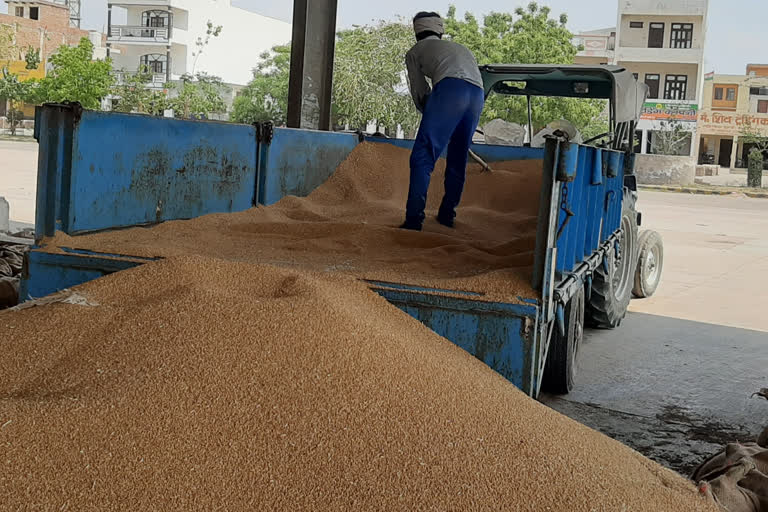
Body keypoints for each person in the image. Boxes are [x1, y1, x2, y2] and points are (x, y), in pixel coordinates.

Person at [400, 11, 485, 231]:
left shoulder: (415, 51)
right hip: (477, 94)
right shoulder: (460, 48)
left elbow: (419, 91)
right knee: (458, 156)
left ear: (416, 31)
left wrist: (429, 110)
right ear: (440, 30)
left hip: (450, 90)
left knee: (422, 156)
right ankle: (447, 215)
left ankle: (413, 220)